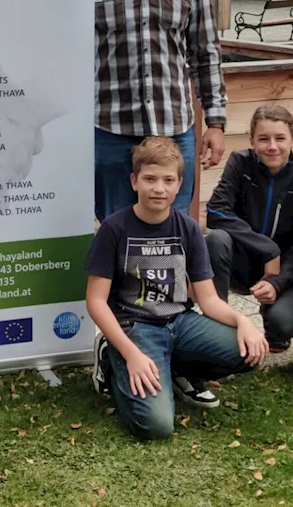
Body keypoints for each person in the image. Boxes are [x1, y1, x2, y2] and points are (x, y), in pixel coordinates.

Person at [85, 136, 268, 440]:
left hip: (179, 323)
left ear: (179, 184)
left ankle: (172, 367)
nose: (159, 188)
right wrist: (131, 354)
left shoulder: (188, 228)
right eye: (150, 179)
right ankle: (113, 360)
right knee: (156, 426)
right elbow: (96, 302)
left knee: (249, 350)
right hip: (136, 328)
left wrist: (243, 322)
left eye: (168, 180)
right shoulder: (114, 229)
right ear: (134, 181)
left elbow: (208, 299)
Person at [94, 0, 227, 223]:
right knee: (114, 228)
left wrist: (215, 122)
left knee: (172, 230)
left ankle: (167, 282)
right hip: (110, 132)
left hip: (174, 131)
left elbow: (206, 53)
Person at [206, 105, 293, 354]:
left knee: (284, 325)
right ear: (251, 140)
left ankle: (274, 324)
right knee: (216, 239)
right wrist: (268, 249)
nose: (272, 146)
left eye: (280, 138)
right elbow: (215, 211)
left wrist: (277, 283)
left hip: (278, 270)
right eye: (263, 139)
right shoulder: (240, 162)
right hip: (240, 261)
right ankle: (218, 330)